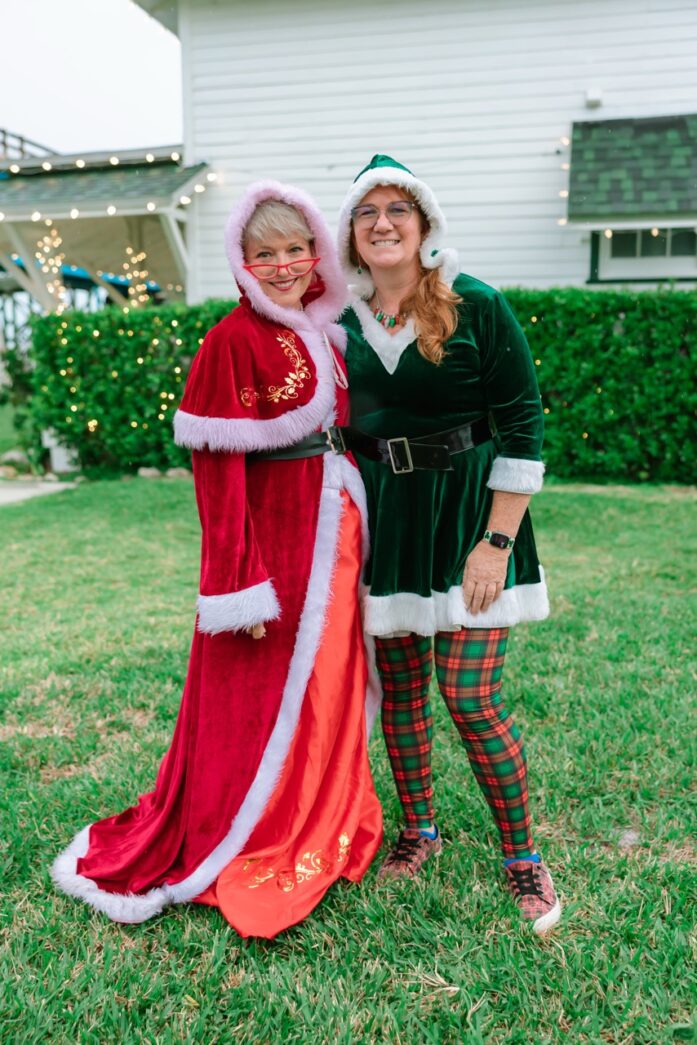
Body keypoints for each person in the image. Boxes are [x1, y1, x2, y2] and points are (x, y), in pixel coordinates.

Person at [52, 181, 382, 937]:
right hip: (279, 552)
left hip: (337, 538)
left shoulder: (326, 332)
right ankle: (255, 827)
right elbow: (216, 475)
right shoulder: (233, 339)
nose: (284, 265)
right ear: (242, 262)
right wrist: (240, 584)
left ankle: (320, 812)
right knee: (260, 701)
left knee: (328, 684)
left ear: (317, 253)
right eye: (264, 254)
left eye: (295, 249)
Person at [334, 154, 561, 934]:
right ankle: (417, 831)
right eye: (368, 212)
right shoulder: (336, 321)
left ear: (424, 225)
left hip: (470, 517)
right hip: (385, 523)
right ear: (351, 234)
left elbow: (523, 423)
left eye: (399, 208)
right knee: (399, 694)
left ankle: (521, 855)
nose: (383, 222)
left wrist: (495, 541)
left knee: (467, 697)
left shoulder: (476, 305)